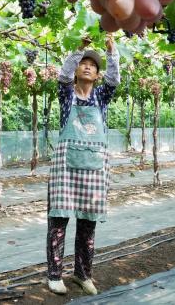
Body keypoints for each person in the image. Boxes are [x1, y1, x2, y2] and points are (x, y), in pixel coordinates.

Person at [45, 34, 119, 295]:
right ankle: (54, 275)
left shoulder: (101, 98)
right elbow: (63, 75)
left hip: (94, 165)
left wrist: (112, 53)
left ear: (97, 75)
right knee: (59, 220)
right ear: (77, 70)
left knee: (87, 224)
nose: (88, 66)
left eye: (93, 65)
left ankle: (82, 274)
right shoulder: (67, 96)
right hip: (66, 165)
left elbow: (114, 80)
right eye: (83, 63)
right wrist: (79, 49)